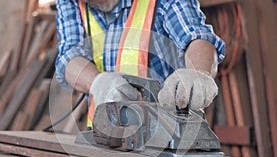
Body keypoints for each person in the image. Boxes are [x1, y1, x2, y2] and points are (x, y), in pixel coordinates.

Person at [55, 0, 225, 116]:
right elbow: (68, 56)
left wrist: (199, 74)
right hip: (107, 136)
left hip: (169, 136)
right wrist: (97, 82)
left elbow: (196, 36)